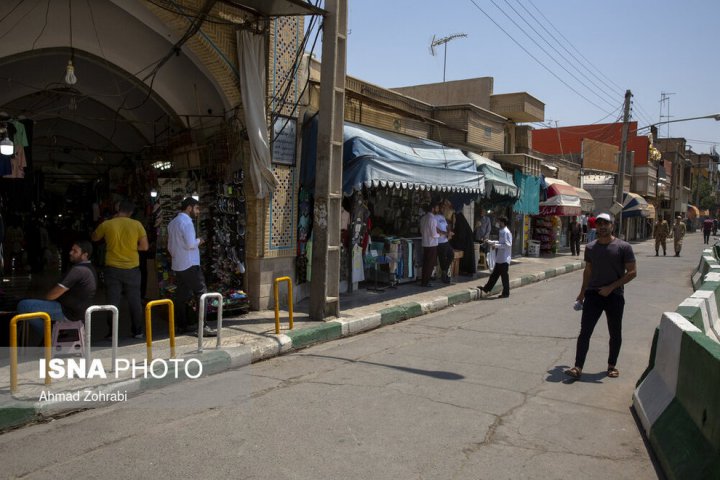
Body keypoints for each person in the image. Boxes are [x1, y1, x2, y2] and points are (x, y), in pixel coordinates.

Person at [564, 213, 636, 380]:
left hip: (615, 296)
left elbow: (632, 272)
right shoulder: (590, 248)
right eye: (599, 223)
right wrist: (582, 293)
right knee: (585, 332)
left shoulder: (623, 247)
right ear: (595, 226)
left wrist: (610, 288)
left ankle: (612, 366)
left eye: (606, 223)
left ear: (612, 225)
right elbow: (588, 270)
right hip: (593, 295)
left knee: (615, 332)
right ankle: (578, 367)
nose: (602, 226)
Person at [91, 199, 149, 339]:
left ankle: (113, 333)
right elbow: (145, 247)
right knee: (134, 301)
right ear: (131, 212)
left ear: (118, 209)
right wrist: (131, 247)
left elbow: (94, 237)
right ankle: (137, 331)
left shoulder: (107, 224)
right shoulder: (137, 225)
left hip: (112, 268)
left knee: (112, 301)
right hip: (132, 268)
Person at [17, 240, 97, 337]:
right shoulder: (90, 269)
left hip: (68, 312)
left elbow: (52, 295)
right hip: (77, 312)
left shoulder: (78, 270)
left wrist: (44, 300)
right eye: (72, 250)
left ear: (85, 255)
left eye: (75, 251)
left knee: (23, 305)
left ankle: (48, 336)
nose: (70, 252)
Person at [167, 197, 216, 336]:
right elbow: (190, 244)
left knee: (181, 296)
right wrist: (200, 240)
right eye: (196, 208)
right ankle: (203, 327)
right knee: (201, 292)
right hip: (190, 264)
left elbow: (170, 247)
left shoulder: (172, 223)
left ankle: (181, 325)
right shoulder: (187, 222)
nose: (198, 211)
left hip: (178, 264)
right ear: (189, 208)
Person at [478, 216, 512, 298]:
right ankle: (486, 289)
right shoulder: (502, 231)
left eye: (499, 222)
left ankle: (506, 293)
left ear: (503, 222)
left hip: (504, 258)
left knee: (504, 277)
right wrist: (490, 241)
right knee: (494, 276)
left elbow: (508, 245)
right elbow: (500, 242)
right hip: (500, 259)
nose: (498, 223)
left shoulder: (506, 232)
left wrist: (496, 245)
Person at [419, 202, 439, 287]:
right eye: (437, 208)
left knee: (425, 263)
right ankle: (425, 282)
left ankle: (424, 280)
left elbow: (421, 231)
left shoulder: (423, 218)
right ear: (433, 209)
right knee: (429, 264)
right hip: (431, 244)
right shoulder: (432, 219)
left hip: (425, 243)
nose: (437, 209)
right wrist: (440, 235)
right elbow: (434, 234)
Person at [435, 201, 454, 284]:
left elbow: (447, 226)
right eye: (442, 207)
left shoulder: (442, 217)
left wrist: (449, 232)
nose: (443, 209)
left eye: (444, 208)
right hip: (439, 242)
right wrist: (446, 233)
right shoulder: (434, 217)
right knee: (442, 258)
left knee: (451, 255)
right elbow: (436, 229)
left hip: (445, 241)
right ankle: (444, 274)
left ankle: (444, 271)